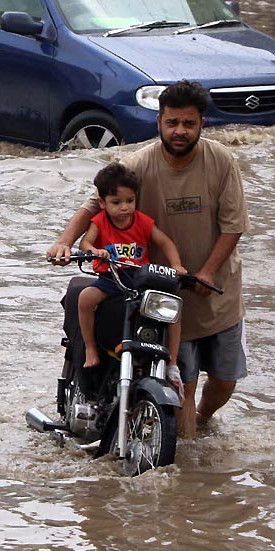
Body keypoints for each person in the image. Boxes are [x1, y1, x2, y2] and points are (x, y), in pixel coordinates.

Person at [47, 80, 248, 438]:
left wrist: (208, 271)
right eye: (172, 123)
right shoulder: (138, 164)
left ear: (202, 123)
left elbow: (233, 226)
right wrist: (64, 241)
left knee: (225, 381)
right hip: (164, 295)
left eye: (188, 123)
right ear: (159, 123)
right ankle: (184, 467)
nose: (180, 131)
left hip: (216, 292)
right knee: (181, 383)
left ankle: (203, 420)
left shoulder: (221, 161)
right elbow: (95, 203)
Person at [77, 161, 186, 389]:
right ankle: (89, 347)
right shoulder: (99, 221)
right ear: (102, 203)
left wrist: (176, 265)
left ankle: (172, 363)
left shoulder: (143, 221)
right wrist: (94, 251)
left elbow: (164, 242)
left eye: (130, 201)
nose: (124, 208)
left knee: (173, 306)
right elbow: (85, 242)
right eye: (116, 202)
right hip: (111, 277)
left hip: (138, 278)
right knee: (85, 299)